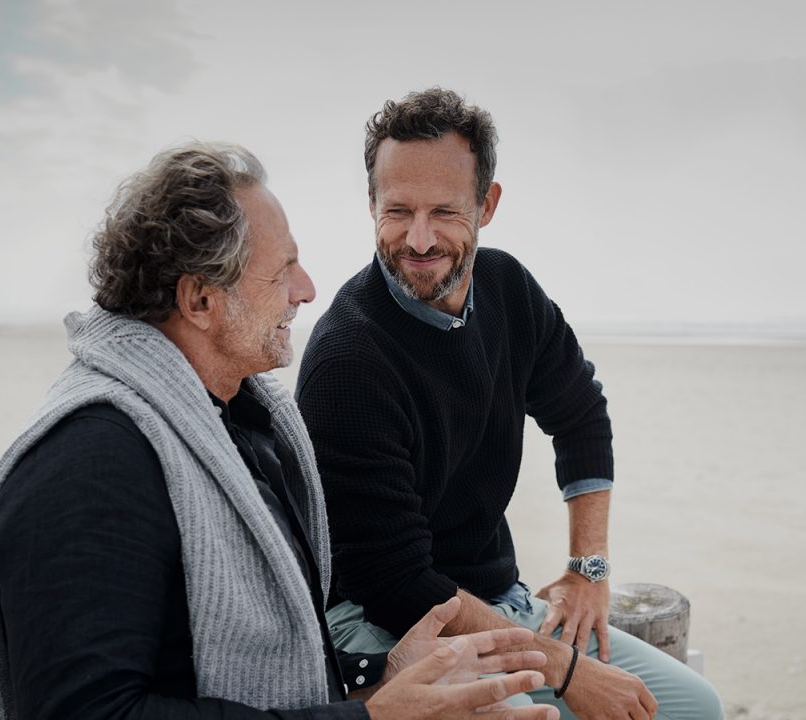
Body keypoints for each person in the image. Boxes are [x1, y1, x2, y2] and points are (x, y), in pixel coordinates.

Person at [0, 142, 558, 720]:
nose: (308, 289)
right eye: (281, 272)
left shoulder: (243, 426)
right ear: (200, 300)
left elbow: (276, 665)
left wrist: (377, 676)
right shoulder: (92, 465)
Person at [295, 89, 724, 719]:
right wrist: (565, 668)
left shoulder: (509, 290)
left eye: (444, 210)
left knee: (691, 708)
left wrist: (589, 570)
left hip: (500, 603)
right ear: (370, 205)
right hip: (389, 627)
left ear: (486, 204)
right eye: (398, 211)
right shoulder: (347, 362)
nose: (418, 238)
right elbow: (399, 583)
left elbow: (580, 415)